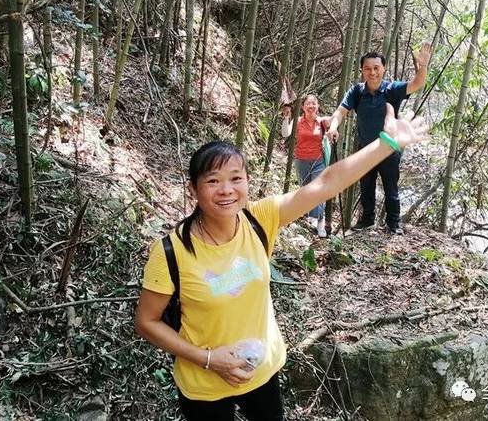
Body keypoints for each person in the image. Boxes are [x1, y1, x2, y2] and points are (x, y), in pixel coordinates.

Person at [135, 104, 428, 421]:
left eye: (236, 178)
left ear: (247, 181)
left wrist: (387, 143)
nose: (227, 190)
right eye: (213, 181)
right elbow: (147, 322)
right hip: (203, 380)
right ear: (193, 188)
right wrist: (209, 359)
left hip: (261, 369)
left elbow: (326, 182)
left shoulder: (261, 219)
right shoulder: (171, 251)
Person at [326, 43, 432, 234]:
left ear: (383, 69)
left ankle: (394, 224)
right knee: (366, 186)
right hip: (365, 148)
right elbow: (340, 112)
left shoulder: (392, 89)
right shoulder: (357, 91)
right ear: (362, 71)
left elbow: (417, 84)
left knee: (391, 187)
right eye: (367, 68)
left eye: (376, 68)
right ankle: (367, 220)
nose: (372, 72)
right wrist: (333, 127)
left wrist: (423, 66)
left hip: (389, 148)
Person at [280, 95, 330, 238]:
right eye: (308, 103)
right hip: (301, 161)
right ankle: (317, 220)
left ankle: (317, 220)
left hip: (318, 161)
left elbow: (333, 124)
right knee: (307, 191)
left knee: (318, 190)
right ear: (303, 107)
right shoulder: (298, 121)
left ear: (317, 106)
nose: (311, 106)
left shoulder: (321, 122)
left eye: (314, 103)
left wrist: (333, 127)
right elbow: (285, 133)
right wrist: (286, 117)